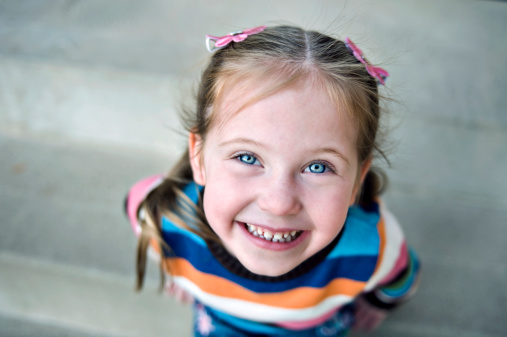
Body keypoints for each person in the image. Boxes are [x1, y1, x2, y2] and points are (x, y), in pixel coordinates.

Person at [125, 25, 420, 337]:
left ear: (357, 179)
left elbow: (401, 275)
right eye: (247, 158)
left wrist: (379, 302)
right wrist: (176, 272)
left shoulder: (372, 245)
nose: (279, 204)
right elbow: (136, 211)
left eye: (318, 167)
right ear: (198, 157)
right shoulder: (167, 218)